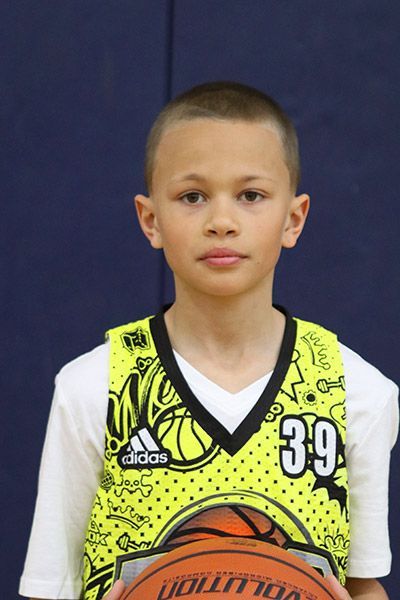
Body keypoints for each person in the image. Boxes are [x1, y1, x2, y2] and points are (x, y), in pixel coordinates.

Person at [20, 82, 398, 600]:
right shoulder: (92, 388)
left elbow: (364, 585)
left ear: (293, 220)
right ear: (151, 220)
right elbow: (50, 588)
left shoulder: (359, 393)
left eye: (251, 196)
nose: (221, 222)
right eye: (192, 197)